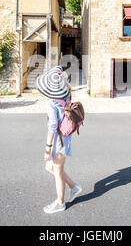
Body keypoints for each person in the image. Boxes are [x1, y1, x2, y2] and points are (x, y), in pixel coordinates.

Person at [35, 66, 82, 214]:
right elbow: (65, 78)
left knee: (57, 171)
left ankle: (60, 203)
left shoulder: (51, 103)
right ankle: (74, 187)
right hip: (65, 137)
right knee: (51, 168)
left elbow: (52, 127)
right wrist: (60, 75)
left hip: (58, 141)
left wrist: (48, 149)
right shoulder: (66, 94)